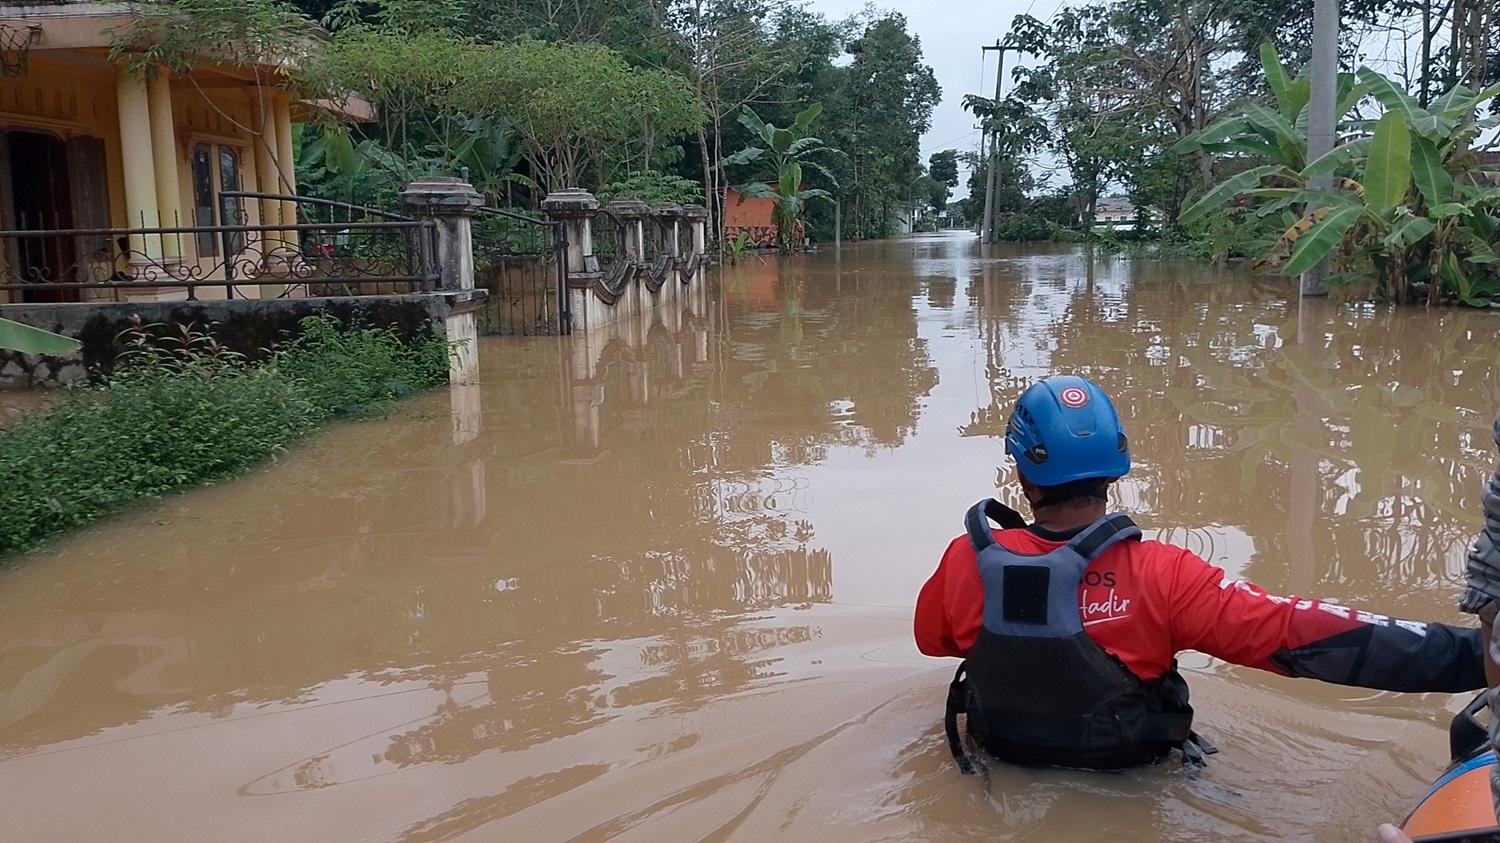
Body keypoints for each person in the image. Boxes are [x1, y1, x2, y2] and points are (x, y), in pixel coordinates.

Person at [917, 375, 1489, 774]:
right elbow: (1297, 634)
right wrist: (1476, 654)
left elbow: (933, 641)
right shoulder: (1166, 574)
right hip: (1130, 774)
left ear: (1022, 473)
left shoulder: (965, 558)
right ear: (1116, 469)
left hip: (1000, 760)